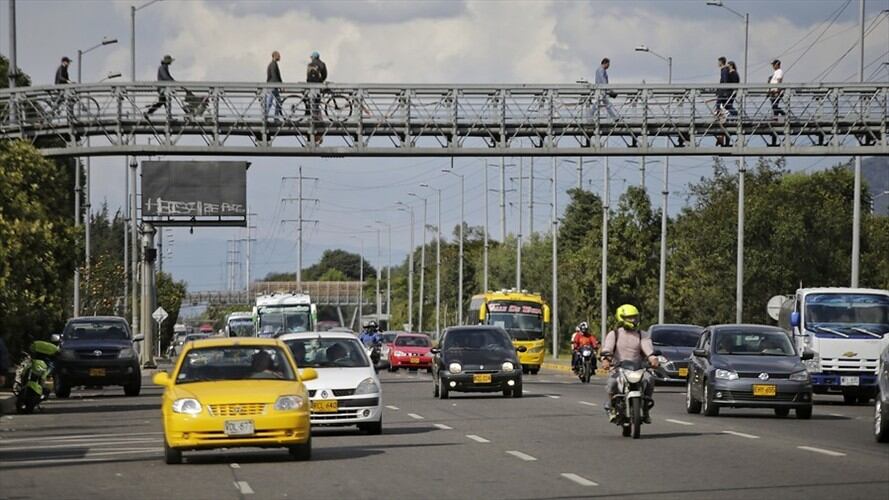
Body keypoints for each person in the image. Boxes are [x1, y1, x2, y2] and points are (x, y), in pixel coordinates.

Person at [600, 304, 659, 423]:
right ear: (621, 318)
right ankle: (612, 407)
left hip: (638, 368)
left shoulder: (642, 334)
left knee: (650, 379)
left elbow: (647, 348)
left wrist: (653, 358)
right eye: (629, 317)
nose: (633, 320)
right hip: (619, 368)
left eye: (634, 317)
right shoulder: (614, 334)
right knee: (612, 382)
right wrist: (606, 360)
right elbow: (607, 349)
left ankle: (646, 408)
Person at [265, 51, 283, 119]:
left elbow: (276, 76)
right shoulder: (273, 64)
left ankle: (274, 117)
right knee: (271, 102)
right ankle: (269, 116)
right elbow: (275, 76)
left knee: (276, 102)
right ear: (275, 56)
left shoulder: (273, 64)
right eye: (279, 56)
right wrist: (280, 85)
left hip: (273, 85)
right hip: (273, 86)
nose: (280, 57)